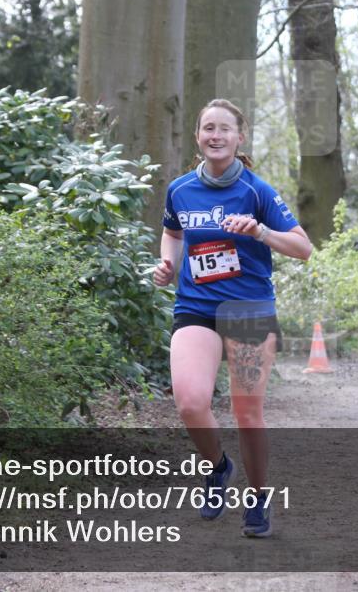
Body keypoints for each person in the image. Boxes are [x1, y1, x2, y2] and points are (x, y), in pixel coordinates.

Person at [153, 99, 312, 538]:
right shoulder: (181, 189)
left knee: (247, 412)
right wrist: (167, 264)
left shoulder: (257, 191)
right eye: (208, 128)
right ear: (198, 136)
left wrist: (261, 232)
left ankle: (258, 499)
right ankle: (218, 468)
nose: (215, 135)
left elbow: (303, 247)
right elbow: (172, 233)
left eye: (225, 128)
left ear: (239, 137)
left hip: (249, 312)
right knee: (189, 402)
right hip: (196, 309)